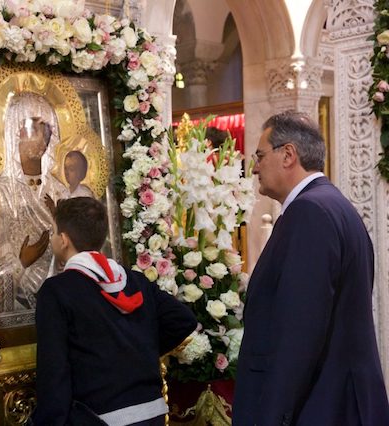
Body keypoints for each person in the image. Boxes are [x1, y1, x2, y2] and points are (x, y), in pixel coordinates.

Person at [233, 111, 389, 425]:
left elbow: (298, 331)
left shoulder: (309, 212)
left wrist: (272, 416)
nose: (255, 167)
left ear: (288, 154)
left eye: (260, 156)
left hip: (320, 406)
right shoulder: (334, 205)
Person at [31, 197, 197, 425]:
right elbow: (183, 319)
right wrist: (140, 351)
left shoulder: (57, 291)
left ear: (64, 239)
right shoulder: (135, 280)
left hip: (99, 417)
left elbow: (54, 372)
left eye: (53, 232)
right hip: (153, 413)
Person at [0, 116, 68, 311]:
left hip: (60, 297)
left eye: (45, 134)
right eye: (30, 132)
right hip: (16, 302)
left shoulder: (59, 191)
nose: (41, 141)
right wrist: (22, 263)